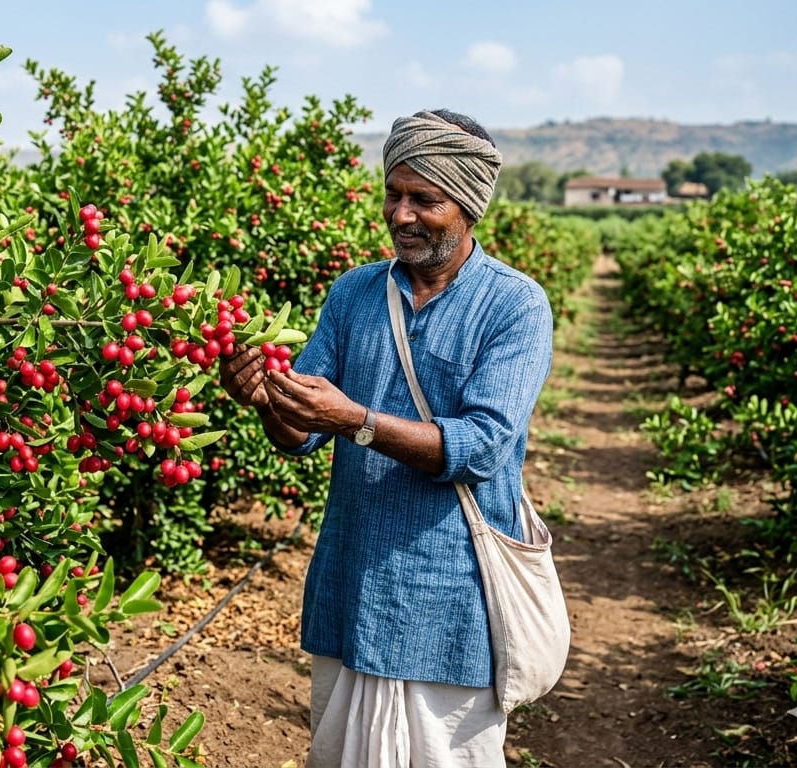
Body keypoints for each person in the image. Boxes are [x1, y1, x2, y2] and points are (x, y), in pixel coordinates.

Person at [220, 109, 554, 767]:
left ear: (468, 207)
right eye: (393, 194)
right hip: (351, 584)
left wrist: (357, 421)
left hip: (453, 599)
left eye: (423, 199)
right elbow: (300, 434)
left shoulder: (515, 306)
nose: (401, 215)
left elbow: (483, 447)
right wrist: (264, 399)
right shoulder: (354, 296)